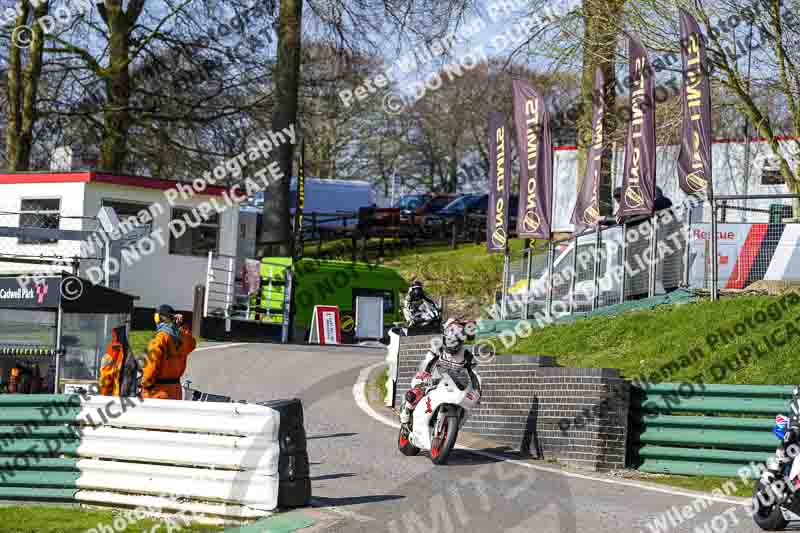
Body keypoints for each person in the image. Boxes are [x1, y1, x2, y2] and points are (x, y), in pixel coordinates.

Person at [399, 319, 476, 425]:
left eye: (455, 342)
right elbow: (427, 362)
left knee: (465, 403)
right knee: (416, 391)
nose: (452, 345)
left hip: (452, 384)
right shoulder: (438, 347)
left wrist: (475, 388)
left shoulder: (467, 354)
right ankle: (407, 409)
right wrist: (425, 375)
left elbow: (472, 373)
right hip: (433, 377)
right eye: (450, 341)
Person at [141, 305, 197, 400]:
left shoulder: (159, 338)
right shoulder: (182, 337)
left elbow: (151, 366)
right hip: (175, 391)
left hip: (158, 392)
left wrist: (145, 385)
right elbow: (192, 343)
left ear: (160, 318)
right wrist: (182, 326)